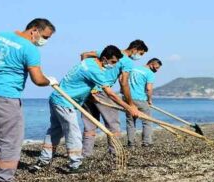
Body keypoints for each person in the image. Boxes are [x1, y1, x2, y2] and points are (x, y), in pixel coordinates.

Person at [0, 18, 57, 182]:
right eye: (45, 37)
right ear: (34, 31)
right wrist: (50, 81)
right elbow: (38, 80)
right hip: (5, 96)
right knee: (10, 140)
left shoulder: (0, 36)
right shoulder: (30, 49)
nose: (44, 41)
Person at [30, 45, 138, 174]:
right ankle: (75, 164)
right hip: (64, 102)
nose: (113, 65)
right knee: (73, 132)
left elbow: (82, 82)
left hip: (56, 98)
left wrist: (91, 95)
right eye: (113, 62)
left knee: (55, 131)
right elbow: (111, 94)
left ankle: (43, 160)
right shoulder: (95, 71)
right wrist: (129, 107)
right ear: (104, 58)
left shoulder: (88, 62)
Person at [80, 40, 148, 157]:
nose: (139, 57)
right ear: (134, 49)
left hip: (87, 91)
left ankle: (86, 154)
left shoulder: (107, 52)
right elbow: (124, 82)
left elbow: (84, 55)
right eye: (140, 53)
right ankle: (115, 154)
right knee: (113, 124)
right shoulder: (127, 62)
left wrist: (88, 71)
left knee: (89, 125)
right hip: (103, 91)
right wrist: (130, 104)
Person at [126, 58, 162, 147]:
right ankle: (146, 142)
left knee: (130, 122)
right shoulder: (149, 73)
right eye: (156, 67)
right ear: (151, 64)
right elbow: (149, 89)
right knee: (147, 121)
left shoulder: (133, 70)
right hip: (140, 99)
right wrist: (149, 100)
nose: (157, 70)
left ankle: (131, 143)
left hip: (128, 99)